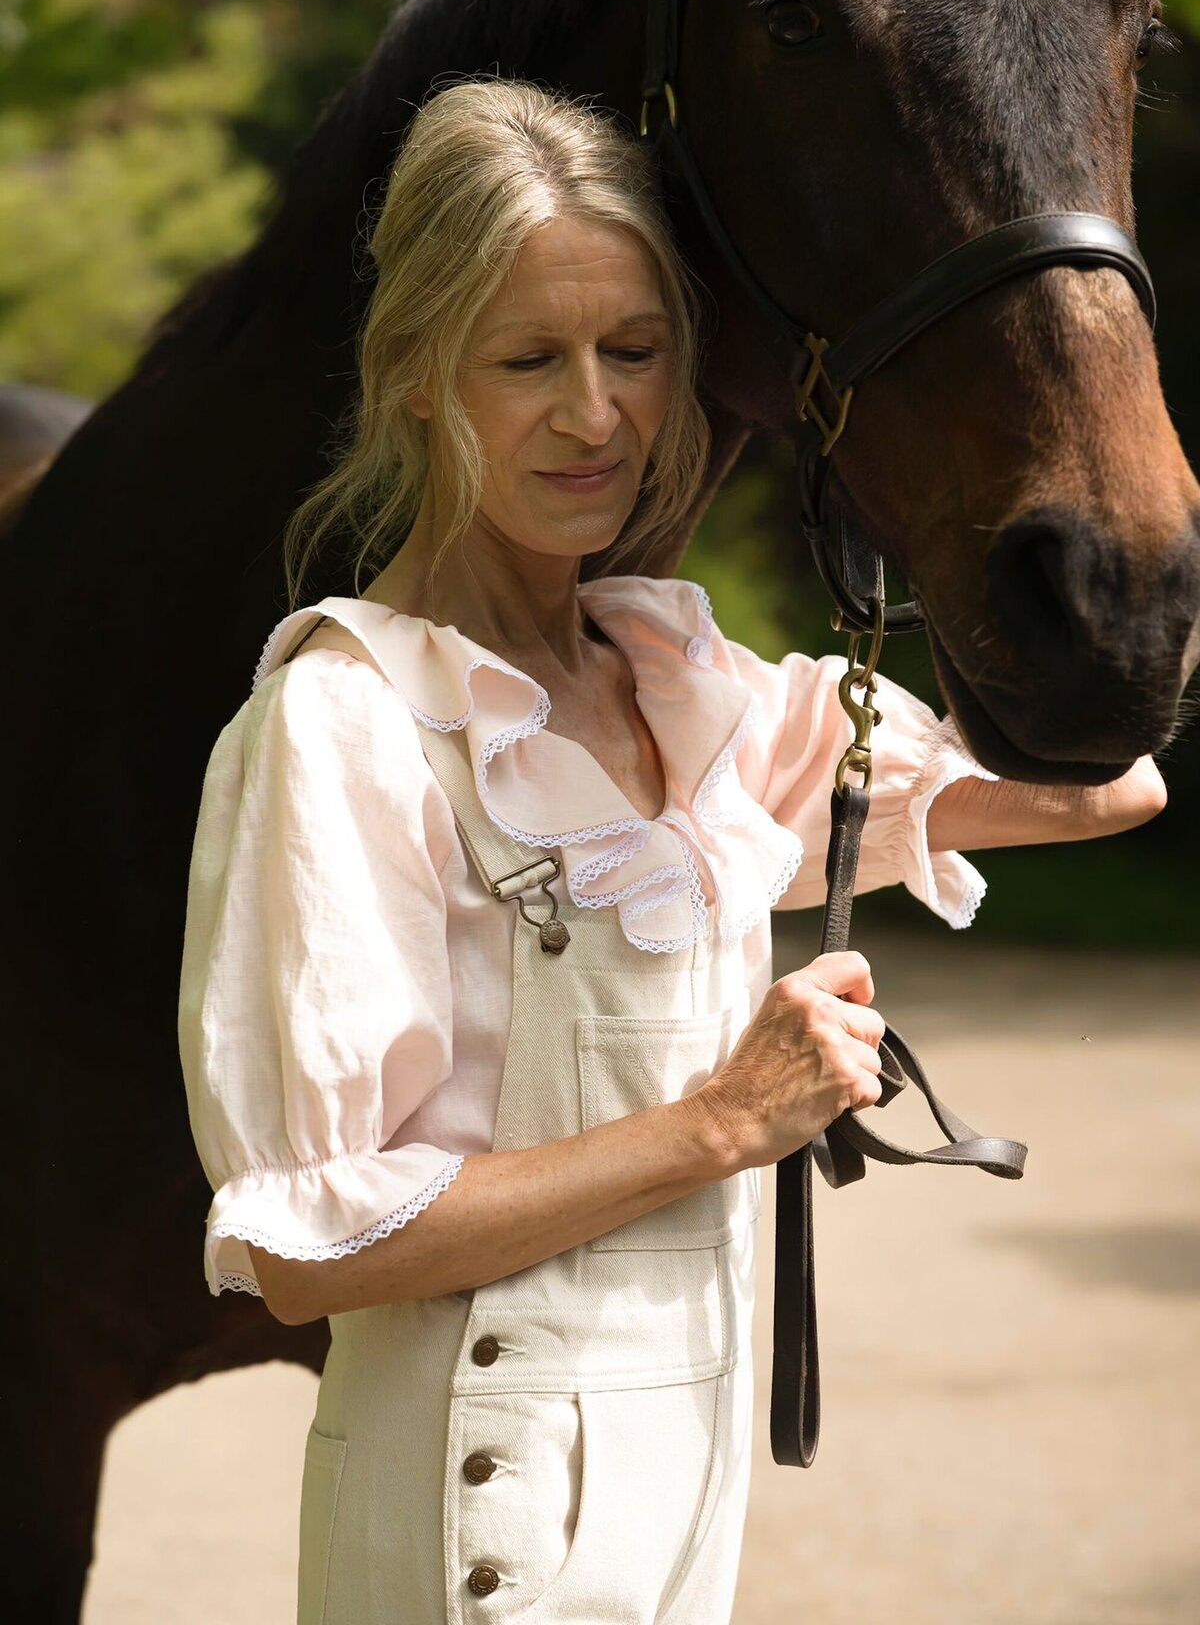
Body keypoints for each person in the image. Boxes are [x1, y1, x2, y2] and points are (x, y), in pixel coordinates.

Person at [177, 78, 1166, 1625]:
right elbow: (312, 1251)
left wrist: (1063, 524)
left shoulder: (690, 692)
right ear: (419, 377)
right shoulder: (346, 725)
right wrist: (720, 1122)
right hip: (478, 1500)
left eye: (633, 352)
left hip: (683, 1490)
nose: (597, 416)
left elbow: (1106, 786)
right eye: (529, 360)